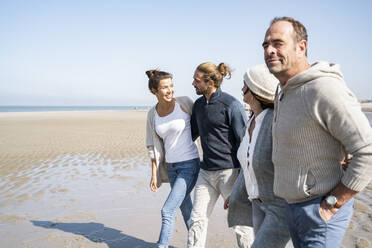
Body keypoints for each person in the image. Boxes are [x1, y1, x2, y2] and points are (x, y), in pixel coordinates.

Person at [262, 16, 372, 247]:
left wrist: (334, 202)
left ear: (301, 47)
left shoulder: (324, 88)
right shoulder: (283, 90)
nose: (270, 50)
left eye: (278, 43)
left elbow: (367, 150)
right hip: (292, 208)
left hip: (321, 211)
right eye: (266, 45)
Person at [225, 64, 292, 248]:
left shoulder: (275, 120)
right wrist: (236, 193)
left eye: (245, 85)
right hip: (257, 203)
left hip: (278, 206)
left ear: (255, 91)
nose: (241, 89)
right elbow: (248, 164)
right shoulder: (251, 121)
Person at [187, 62, 250, 248]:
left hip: (230, 173)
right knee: (196, 220)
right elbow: (191, 134)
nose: (193, 84)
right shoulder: (198, 105)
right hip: (205, 173)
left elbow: (244, 141)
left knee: (241, 225)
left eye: (196, 80)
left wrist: (242, 179)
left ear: (210, 82)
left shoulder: (231, 105)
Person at [145, 69, 200, 248]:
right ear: (155, 91)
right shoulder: (152, 114)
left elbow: (202, 124)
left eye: (171, 86)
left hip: (189, 164)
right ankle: (196, 244)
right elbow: (153, 146)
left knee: (167, 210)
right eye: (164, 87)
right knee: (186, 210)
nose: (170, 90)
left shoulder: (184, 103)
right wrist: (154, 174)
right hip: (171, 167)